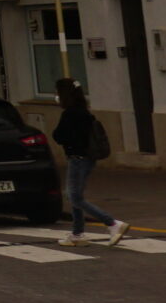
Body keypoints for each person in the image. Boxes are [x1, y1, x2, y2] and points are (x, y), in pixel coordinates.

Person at [53, 80, 129, 247]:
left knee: (74, 196)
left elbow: (58, 136)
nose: (56, 96)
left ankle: (112, 223)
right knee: (76, 196)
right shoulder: (85, 113)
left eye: (58, 92)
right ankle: (77, 233)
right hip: (87, 158)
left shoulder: (70, 114)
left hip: (77, 159)